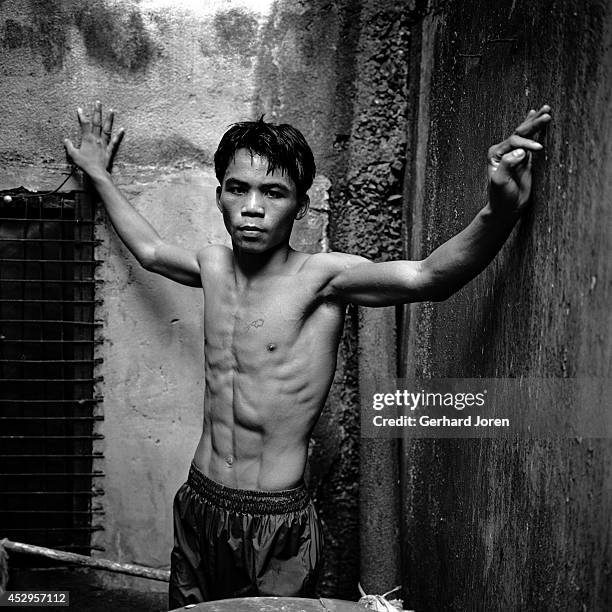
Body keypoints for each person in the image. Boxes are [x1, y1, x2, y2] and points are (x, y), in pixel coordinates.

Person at [64, 102, 551, 607]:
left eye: (273, 192)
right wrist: (98, 174)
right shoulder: (211, 264)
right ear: (219, 197)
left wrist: (500, 209)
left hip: (274, 519)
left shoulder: (323, 279)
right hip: (199, 500)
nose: (253, 206)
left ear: (299, 204)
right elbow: (149, 250)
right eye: (238, 189)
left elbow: (430, 278)